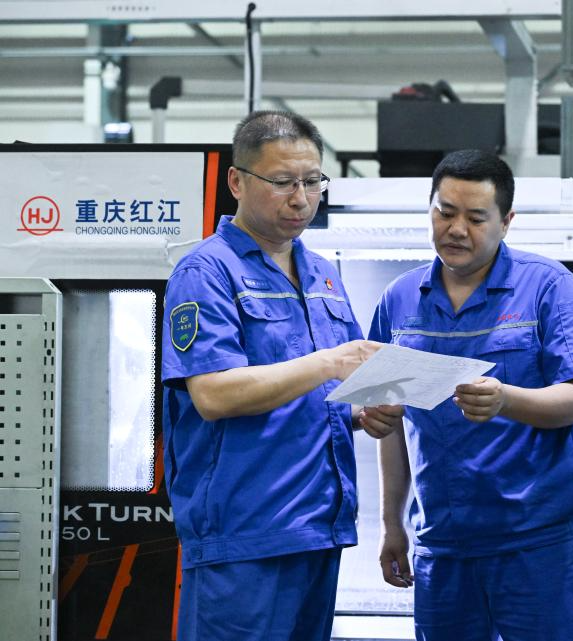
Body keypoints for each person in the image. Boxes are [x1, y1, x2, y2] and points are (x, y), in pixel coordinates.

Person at [161, 110, 399, 641]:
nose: (301, 199)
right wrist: (330, 363)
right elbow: (214, 394)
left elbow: (325, 395)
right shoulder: (207, 272)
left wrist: (363, 413)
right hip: (245, 534)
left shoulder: (322, 275)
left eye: (312, 182)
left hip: (319, 528)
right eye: (283, 182)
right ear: (236, 181)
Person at [370, 149, 573, 641]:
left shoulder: (548, 287)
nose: (456, 229)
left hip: (539, 543)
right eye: (445, 212)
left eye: (476, 218)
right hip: (443, 546)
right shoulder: (399, 300)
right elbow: (390, 424)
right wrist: (391, 523)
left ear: (506, 221)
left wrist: (507, 400)